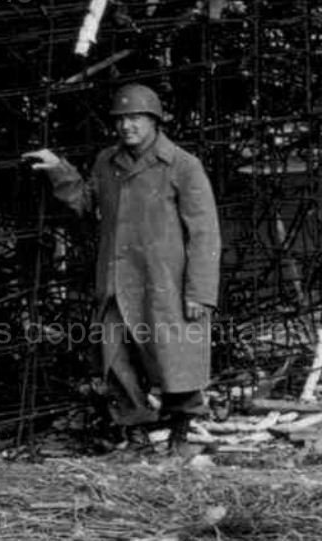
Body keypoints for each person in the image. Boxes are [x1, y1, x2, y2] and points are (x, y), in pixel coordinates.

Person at [23, 84, 221, 452]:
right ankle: (136, 435)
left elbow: (205, 235)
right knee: (114, 358)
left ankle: (180, 437)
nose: (127, 126)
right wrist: (59, 170)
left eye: (136, 118)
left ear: (154, 121)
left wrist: (200, 293)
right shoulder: (106, 162)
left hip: (165, 285)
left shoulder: (182, 166)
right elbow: (84, 203)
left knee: (174, 360)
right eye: (121, 119)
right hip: (116, 283)